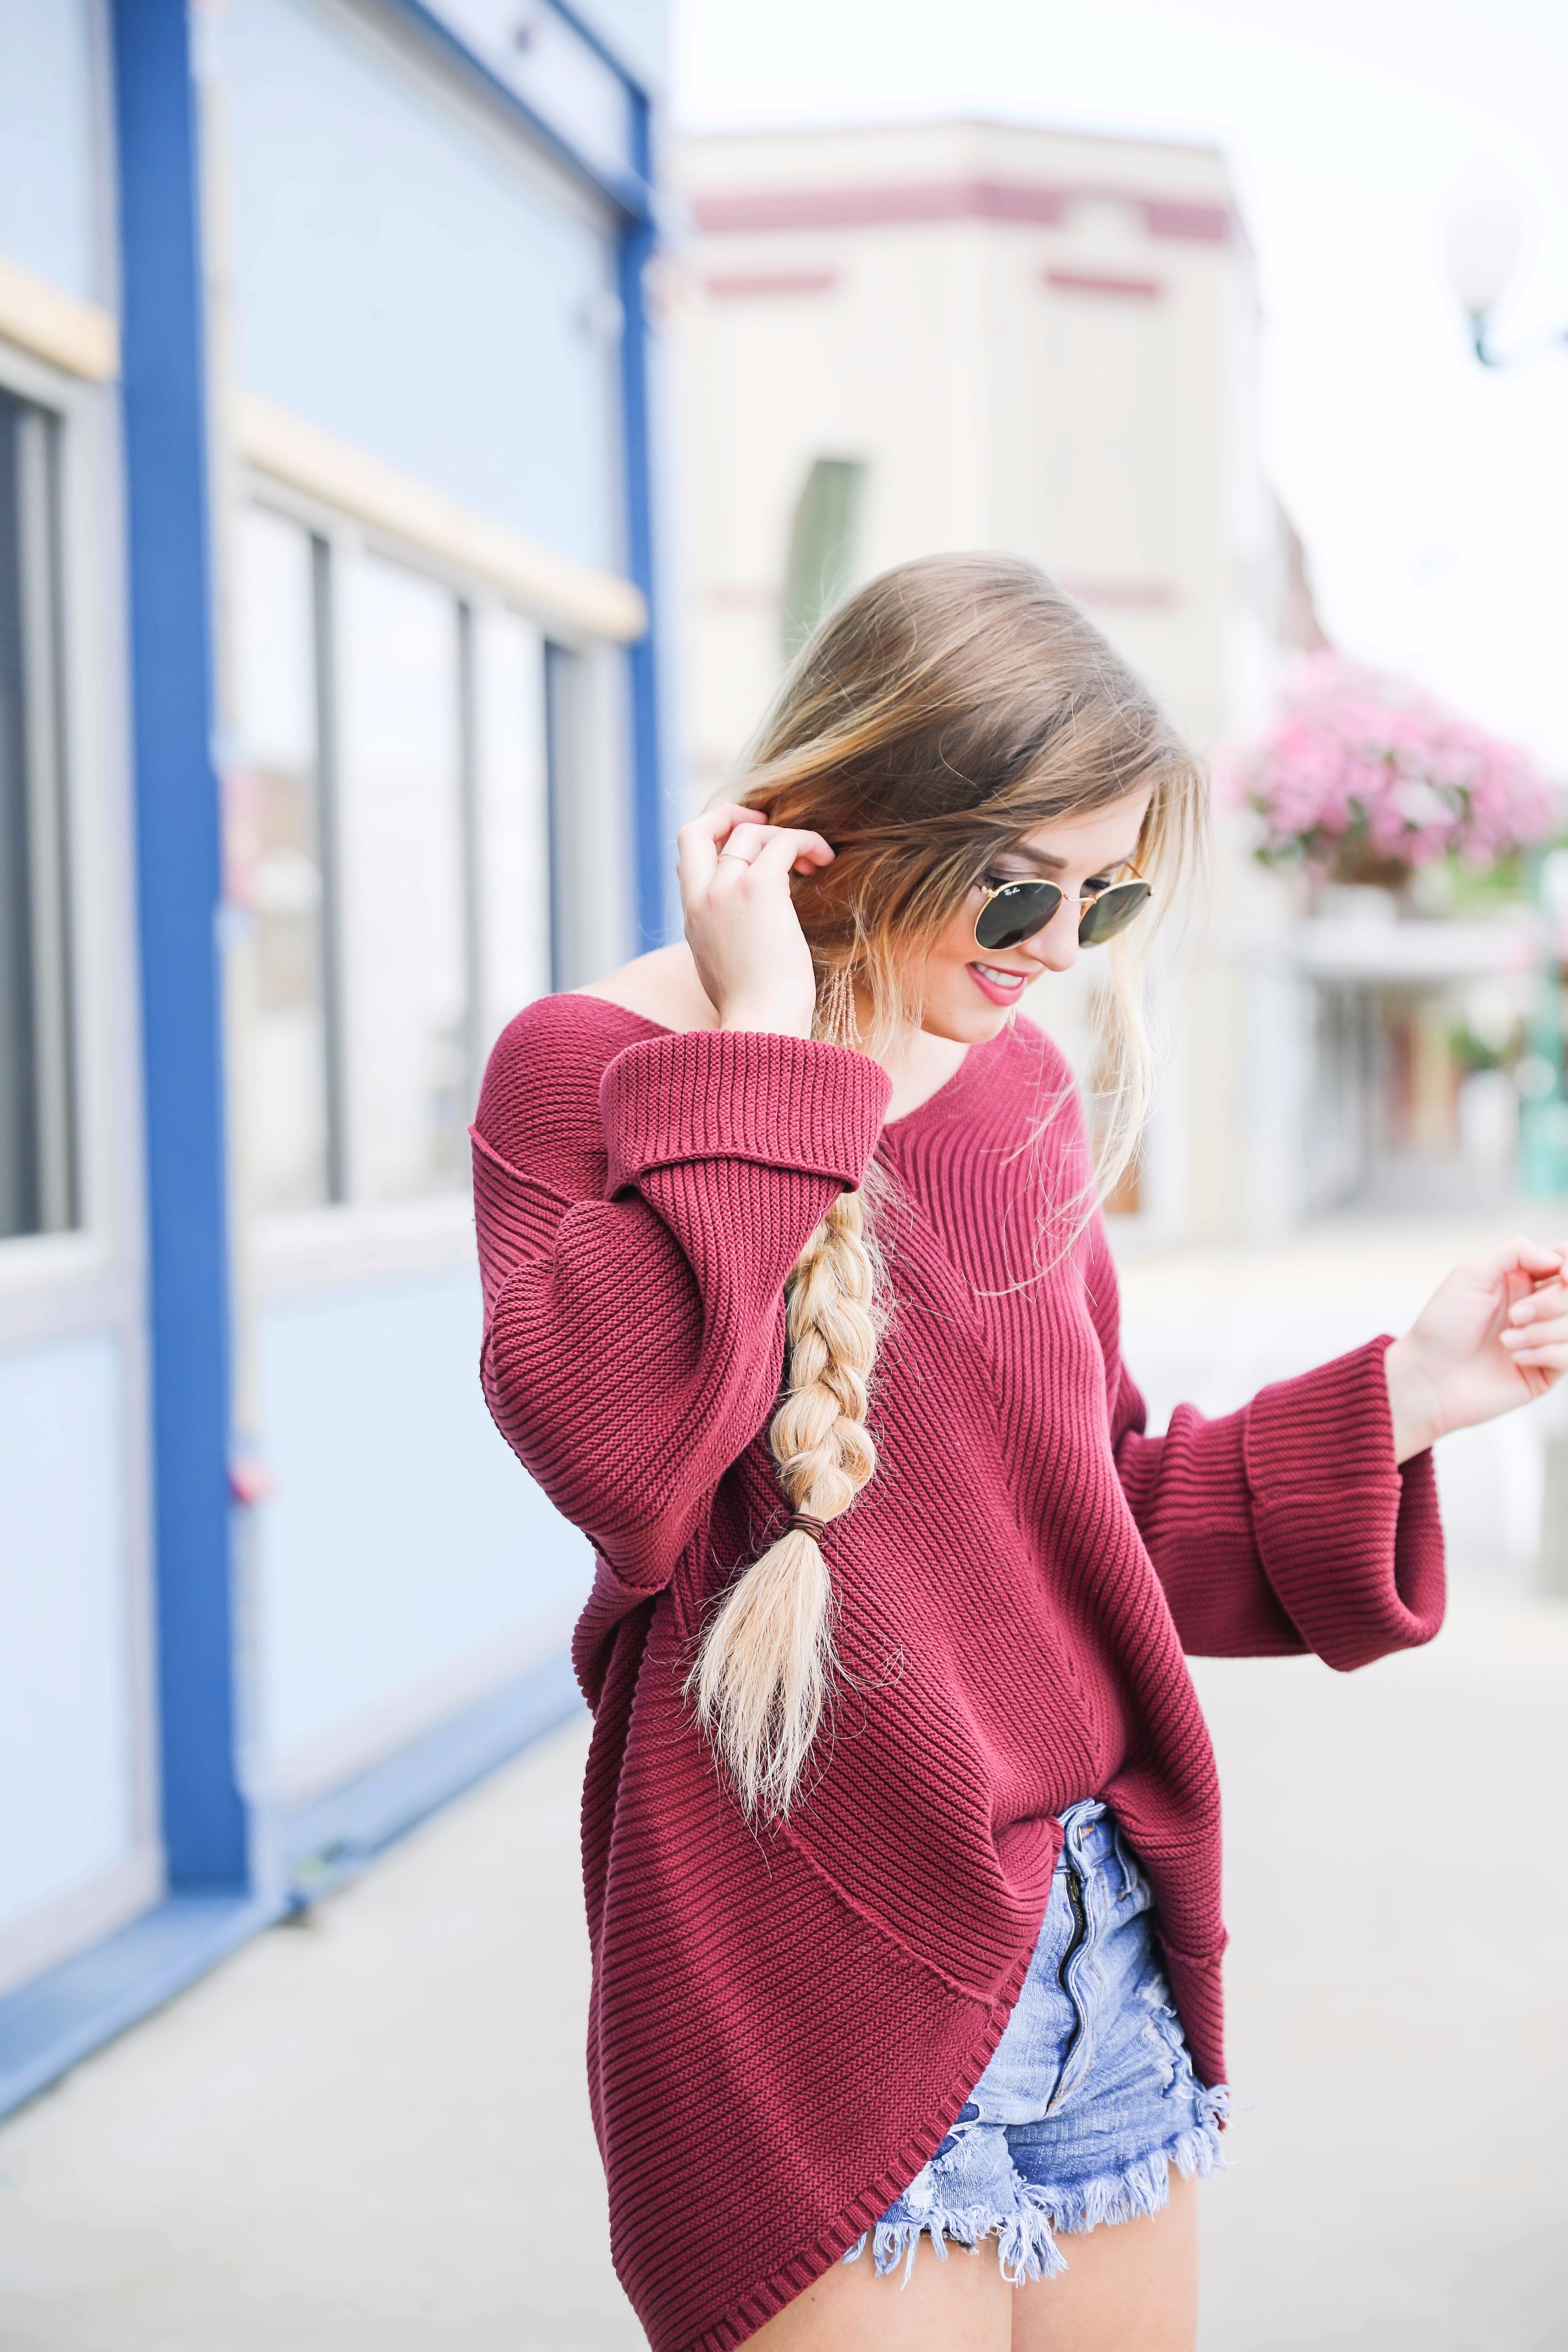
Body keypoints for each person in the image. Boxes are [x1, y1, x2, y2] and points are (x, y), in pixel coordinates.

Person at [470, 556, 1566, 2352]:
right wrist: (763, 1050)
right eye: (1020, 884)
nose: (1057, 947)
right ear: (844, 817)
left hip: (1091, 1938)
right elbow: (624, 1464)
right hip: (796, 1952)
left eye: (1106, 898)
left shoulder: (1020, 1093)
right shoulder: (582, 1067)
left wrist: (1403, 1399)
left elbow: (1091, 1517)